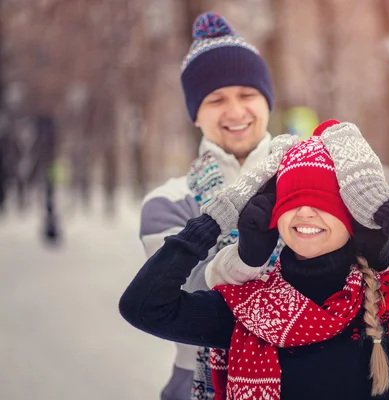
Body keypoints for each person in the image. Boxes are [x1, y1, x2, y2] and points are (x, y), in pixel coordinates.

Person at [121, 120, 389, 400]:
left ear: (353, 213)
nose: (304, 214)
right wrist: (219, 216)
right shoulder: (241, 311)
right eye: (290, 202)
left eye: (324, 203)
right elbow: (143, 307)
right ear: (273, 215)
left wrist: (385, 209)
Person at [138, 11, 279, 400]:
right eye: (216, 99)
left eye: (247, 94)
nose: (235, 112)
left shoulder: (309, 181)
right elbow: (197, 298)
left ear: (267, 101)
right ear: (195, 114)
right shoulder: (167, 203)